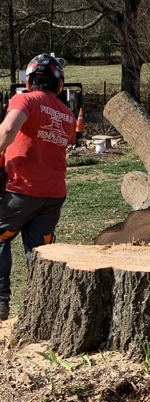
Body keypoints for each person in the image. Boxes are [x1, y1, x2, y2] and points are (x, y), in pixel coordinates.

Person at [0, 54, 76, 321]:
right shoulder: (66, 114)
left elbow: (9, 130)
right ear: (58, 84)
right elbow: (61, 142)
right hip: (53, 194)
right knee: (40, 252)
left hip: (21, 190)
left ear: (29, 80)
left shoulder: (24, 99)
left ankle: (0, 303)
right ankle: (43, 312)